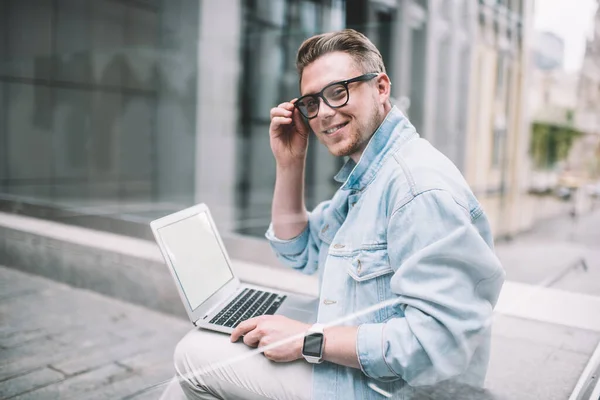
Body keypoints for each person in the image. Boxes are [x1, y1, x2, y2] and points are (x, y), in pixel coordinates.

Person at [161, 28, 505, 400]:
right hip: (361, 370)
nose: (324, 112)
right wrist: (290, 163)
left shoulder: (415, 188)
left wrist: (308, 339)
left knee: (193, 355)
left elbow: (438, 345)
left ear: (381, 88)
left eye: (338, 91)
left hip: (391, 390)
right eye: (311, 102)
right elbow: (299, 249)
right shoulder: (369, 176)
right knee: (182, 383)